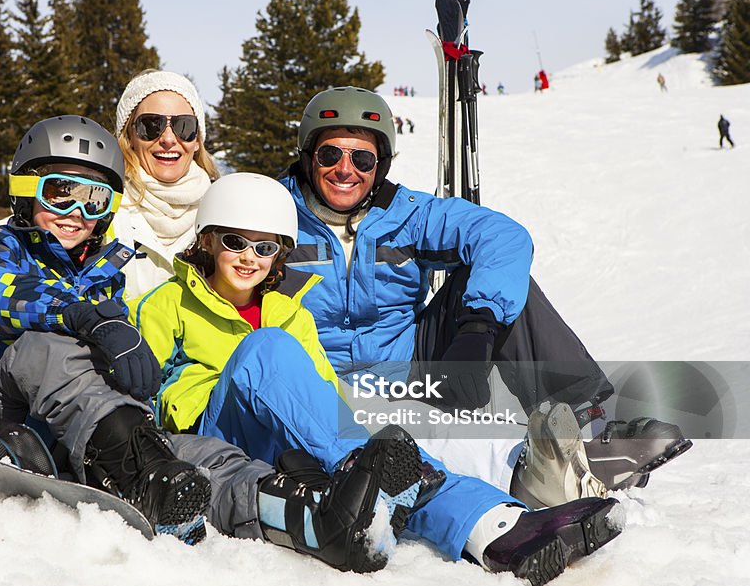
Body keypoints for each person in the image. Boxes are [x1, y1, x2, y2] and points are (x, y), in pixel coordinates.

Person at [0, 114, 432, 573]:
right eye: (58, 193)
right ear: (25, 193)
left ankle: (309, 517)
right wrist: (88, 319)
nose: (75, 213)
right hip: (0, 413)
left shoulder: (103, 274)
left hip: (97, 431)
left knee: (209, 458)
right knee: (48, 344)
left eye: (95, 200)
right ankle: (144, 470)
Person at [133, 172, 624, 586]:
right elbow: (139, 393)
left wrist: (362, 448)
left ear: (279, 254)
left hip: (278, 446)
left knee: (383, 451)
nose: (249, 257)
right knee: (267, 353)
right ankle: (378, 474)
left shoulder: (290, 314)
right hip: (211, 439)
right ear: (207, 240)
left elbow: (327, 408)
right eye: (234, 242)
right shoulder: (167, 303)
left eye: (264, 247)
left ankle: (498, 527)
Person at [276, 86, 692, 507]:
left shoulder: (405, 213)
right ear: (309, 155)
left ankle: (587, 429)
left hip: (407, 373)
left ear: (380, 164)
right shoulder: (275, 214)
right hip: (317, 387)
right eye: (331, 155)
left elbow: (503, 236)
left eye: (361, 158)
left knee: (506, 289)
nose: (345, 169)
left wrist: (477, 330)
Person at [112, 70, 219, 298]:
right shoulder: (104, 211)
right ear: (129, 136)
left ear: (197, 140)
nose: (169, 139)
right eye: (151, 125)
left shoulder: (222, 210)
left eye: (184, 127)